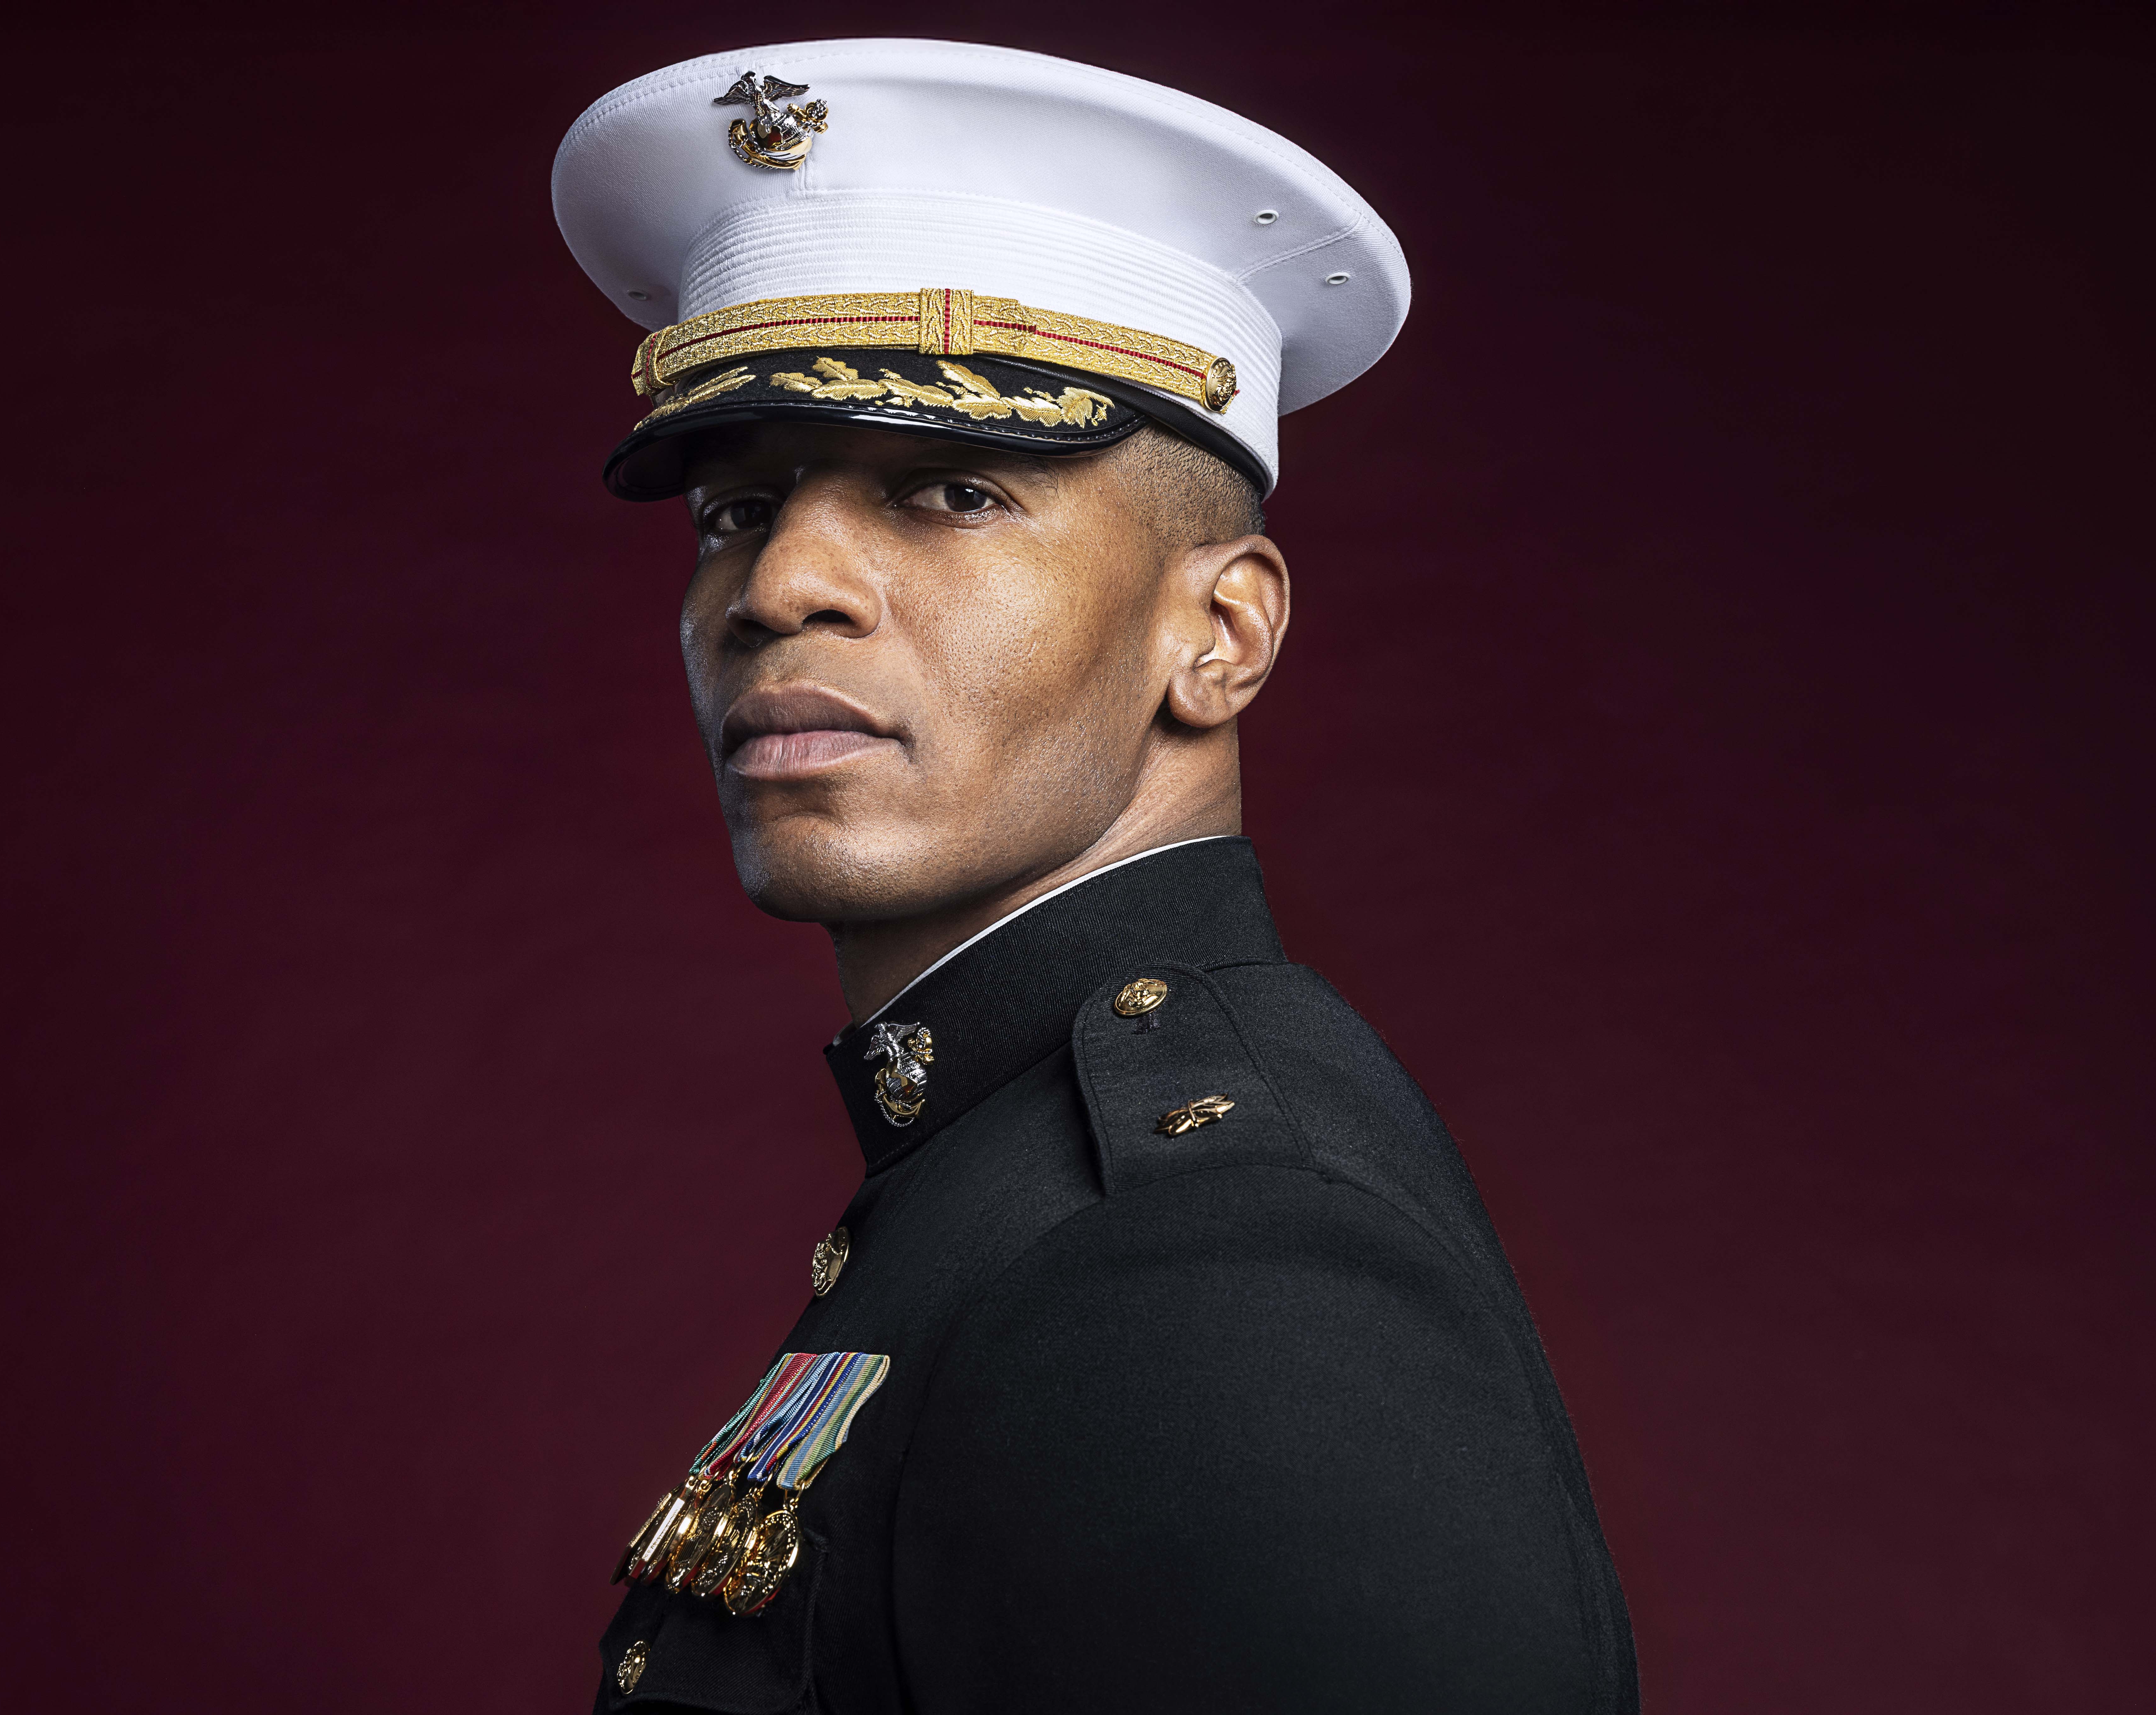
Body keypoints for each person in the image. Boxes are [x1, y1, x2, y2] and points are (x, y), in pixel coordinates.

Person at [553, 39, 1640, 1713]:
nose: (781, 584)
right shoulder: (1002, 1169)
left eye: (952, 491)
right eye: (737, 508)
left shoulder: (1205, 1266)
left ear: (1219, 634)